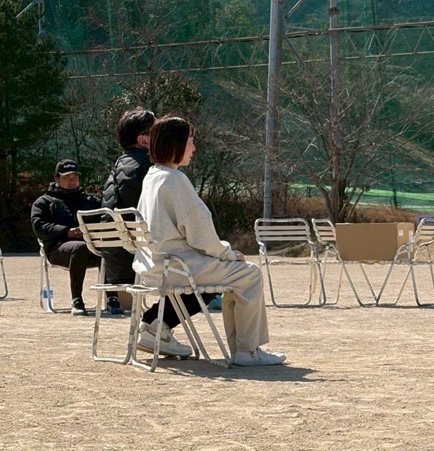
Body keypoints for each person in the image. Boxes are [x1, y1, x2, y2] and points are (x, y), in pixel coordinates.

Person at [133, 115, 286, 366]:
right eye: (191, 141)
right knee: (249, 274)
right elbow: (201, 234)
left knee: (229, 275)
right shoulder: (174, 179)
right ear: (176, 144)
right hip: (180, 266)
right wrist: (228, 253)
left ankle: (156, 326)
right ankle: (247, 351)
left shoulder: (152, 176)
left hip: (154, 265)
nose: (194, 148)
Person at [102, 108, 204, 356]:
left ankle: (153, 325)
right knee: (209, 273)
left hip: (115, 259)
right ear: (144, 140)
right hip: (142, 261)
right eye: (156, 130)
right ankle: (154, 325)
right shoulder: (155, 171)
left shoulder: (117, 167)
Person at [31, 159, 114, 316]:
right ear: (56, 178)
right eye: (67, 177)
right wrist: (66, 232)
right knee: (79, 247)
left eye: (75, 177)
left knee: (108, 245)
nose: (72, 181)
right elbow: (39, 227)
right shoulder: (44, 202)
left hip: (91, 248)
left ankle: (112, 298)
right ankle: (77, 300)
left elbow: (105, 219)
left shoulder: (90, 201)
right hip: (57, 249)